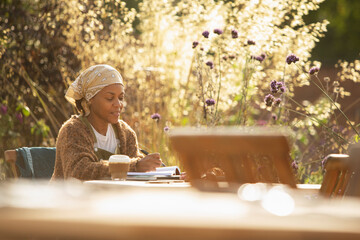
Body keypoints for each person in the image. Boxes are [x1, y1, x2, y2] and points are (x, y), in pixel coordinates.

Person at [51, 64, 162, 180]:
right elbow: (79, 171)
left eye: (120, 98)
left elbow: (138, 169)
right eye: (110, 98)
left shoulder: (125, 133)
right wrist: (134, 166)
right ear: (90, 99)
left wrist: (149, 165)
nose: (118, 104)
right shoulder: (73, 130)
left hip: (114, 198)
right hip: (72, 198)